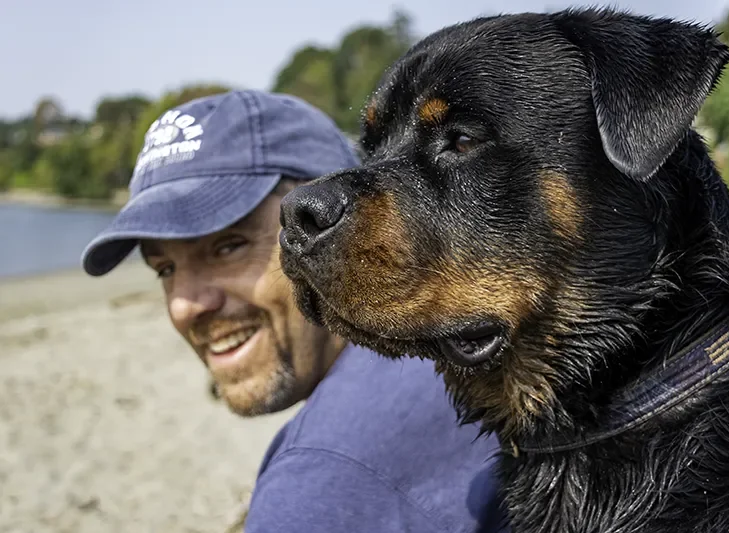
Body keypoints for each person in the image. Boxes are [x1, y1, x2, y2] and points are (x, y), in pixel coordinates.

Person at [81, 90, 507, 533]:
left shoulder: (320, 485)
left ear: (333, 212)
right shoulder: (476, 344)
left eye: (229, 246)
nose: (185, 305)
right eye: (164, 269)